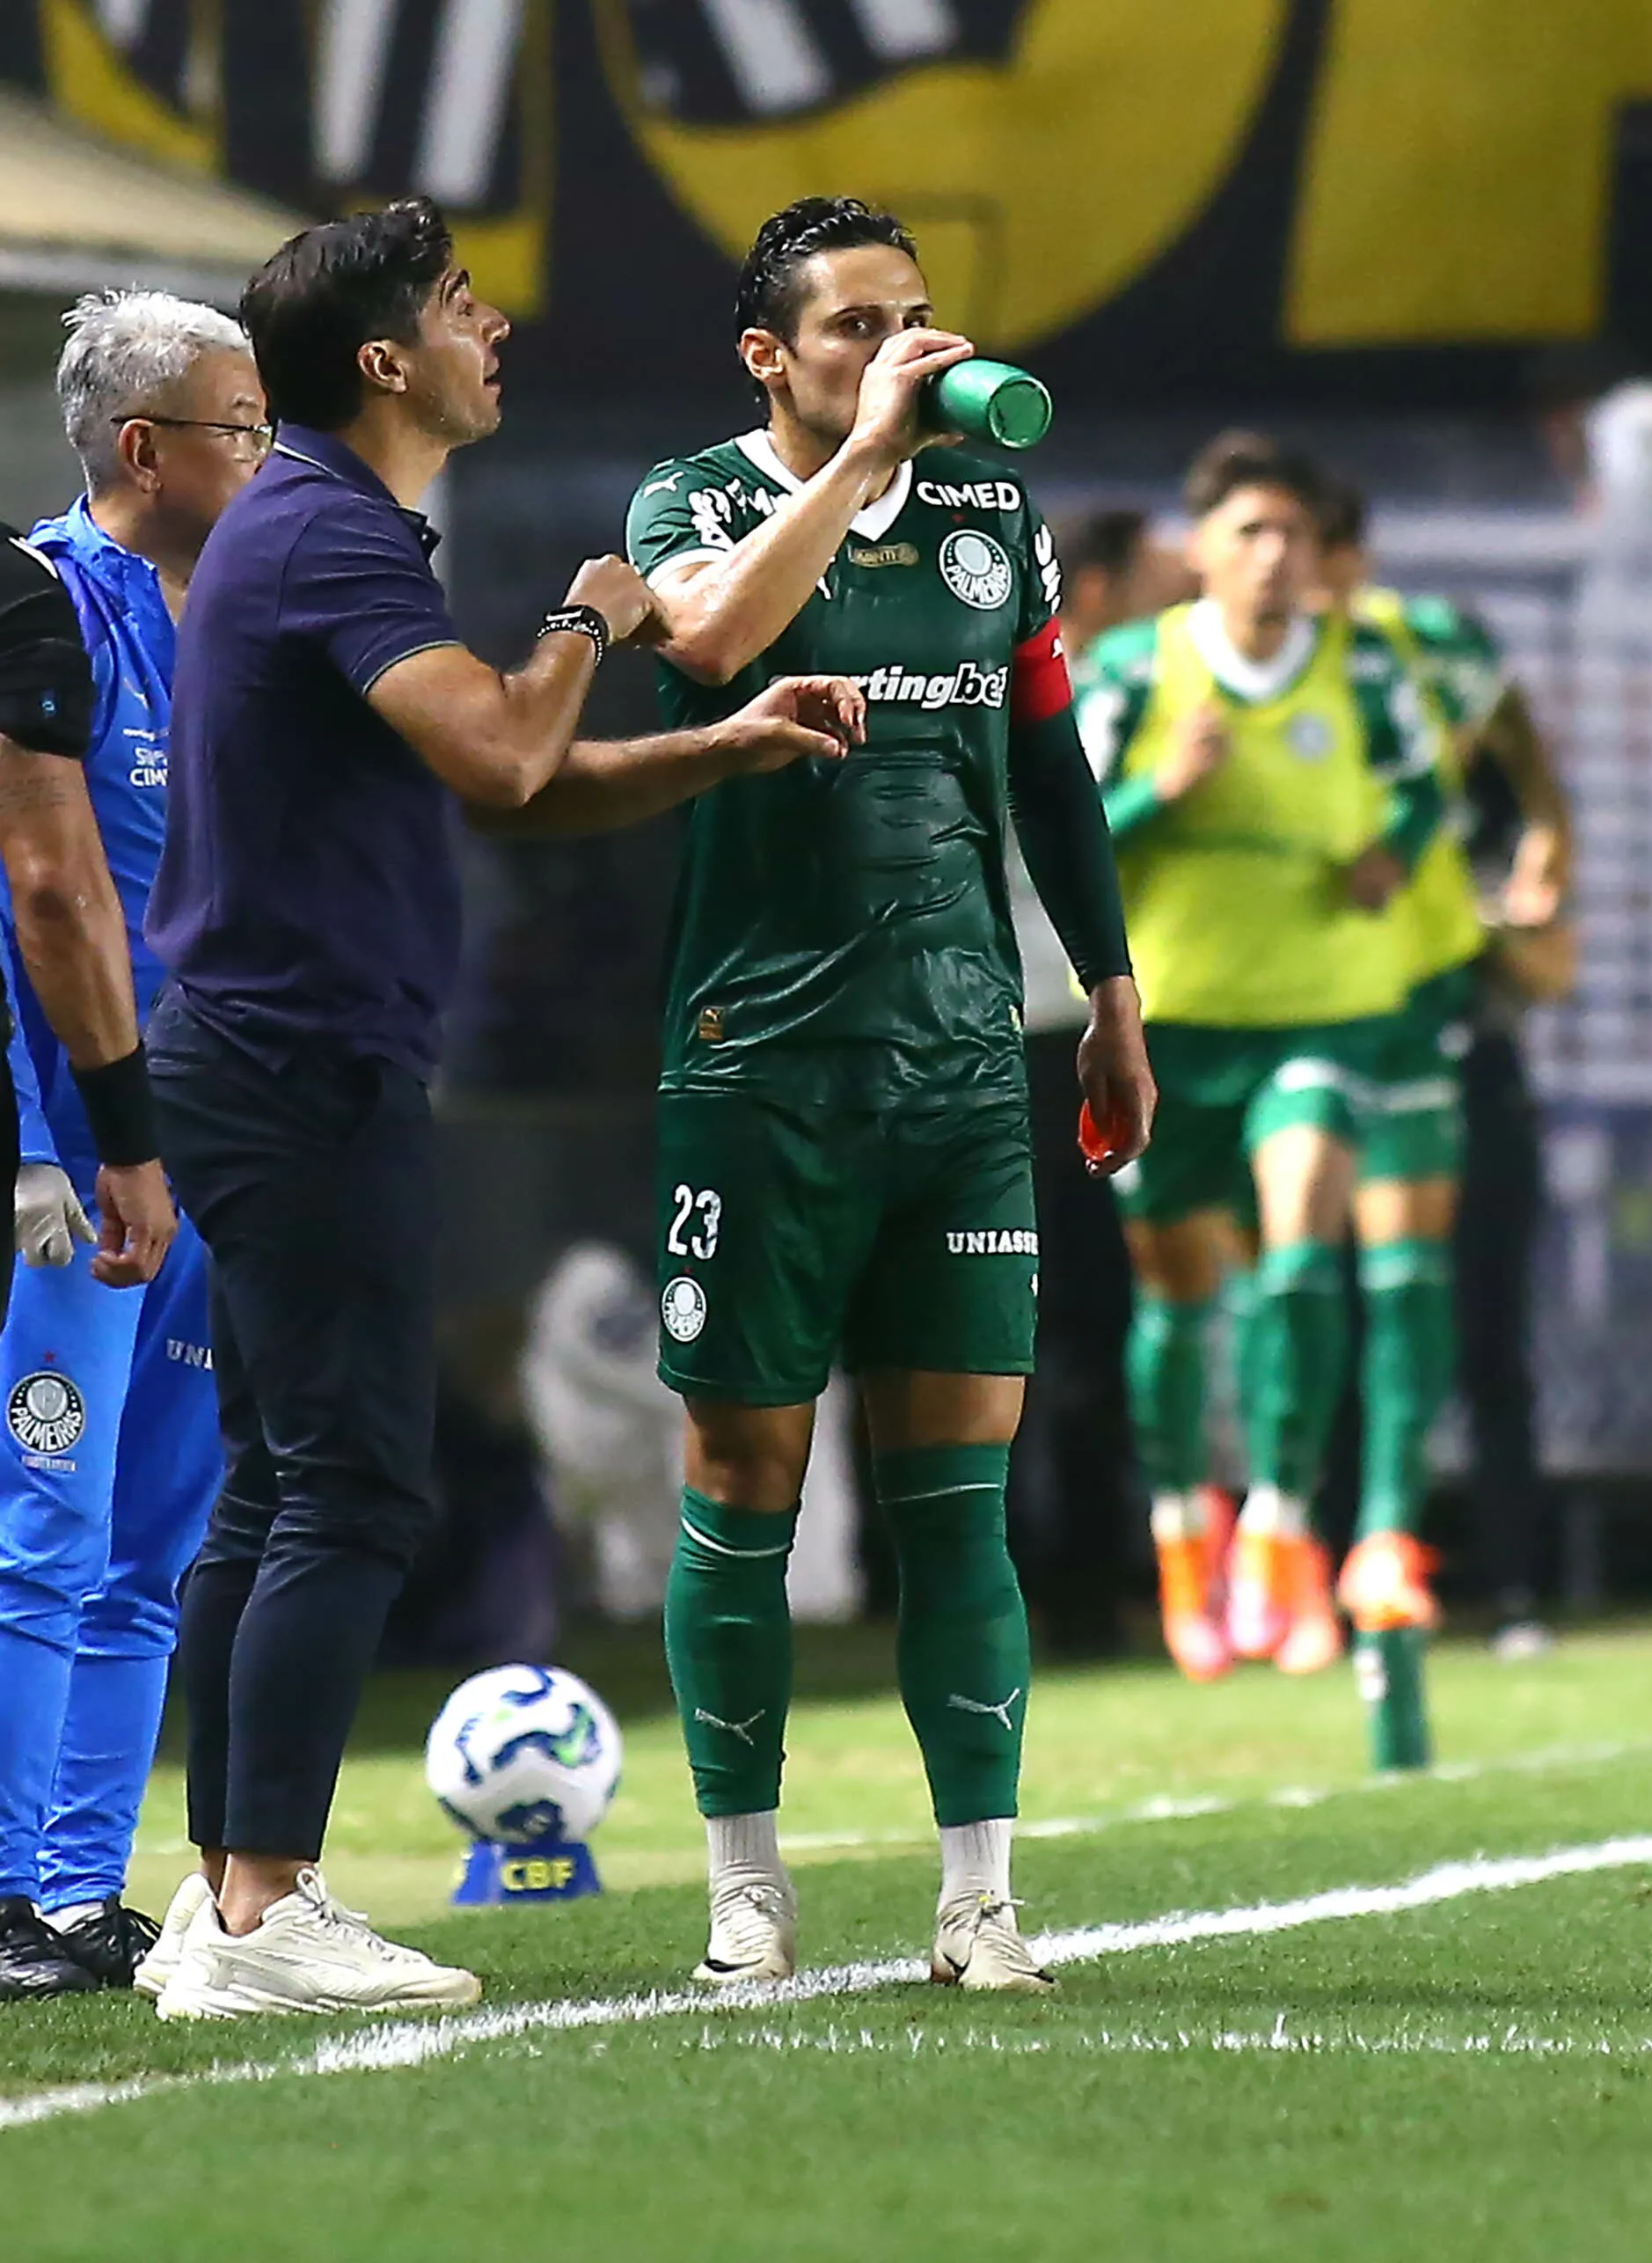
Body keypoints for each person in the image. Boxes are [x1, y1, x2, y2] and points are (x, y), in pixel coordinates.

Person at [145, 199, 860, 2022]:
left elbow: (505, 787)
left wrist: (721, 741)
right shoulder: (325, 528)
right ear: (387, 360)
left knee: (273, 1484)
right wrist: (591, 617)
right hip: (302, 1057)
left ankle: (218, 1897)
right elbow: (512, 743)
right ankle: (262, 1908)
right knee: (357, 1481)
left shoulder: (323, 525)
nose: (497, 324)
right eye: (463, 303)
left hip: (264, 1049)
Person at [627, 197, 1152, 1994]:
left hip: (958, 1059)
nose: (901, 351)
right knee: (743, 1472)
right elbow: (702, 645)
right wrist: (856, 459)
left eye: (914, 318)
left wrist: (1108, 990)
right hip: (756, 1062)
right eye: (854, 325)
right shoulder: (690, 500)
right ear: (768, 355)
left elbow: (1051, 757)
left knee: (957, 1490)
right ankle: (745, 1879)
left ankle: (979, 1898)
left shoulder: (997, 513)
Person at [1084, 433, 1441, 1687]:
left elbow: (1420, 788)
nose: (1275, 557)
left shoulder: (1365, 667)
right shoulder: (1134, 671)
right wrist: (1157, 792)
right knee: (1176, 1302)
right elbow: (1057, 825)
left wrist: (1391, 849)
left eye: (1293, 534)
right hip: (1168, 1023)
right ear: (1202, 551)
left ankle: (1284, 1533)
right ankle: (1185, 1532)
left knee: (1297, 1263)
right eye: (1249, 534)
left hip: (1321, 1012)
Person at [0, 294, 257, 2003]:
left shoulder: (245, 613)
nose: (265, 449)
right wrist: (50, 1143)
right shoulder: (37, 599)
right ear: (142, 447)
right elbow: (36, 895)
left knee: (157, 1531)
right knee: (45, 1509)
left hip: (221, 1143)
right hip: (72, 1157)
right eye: (236, 423)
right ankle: (9, 1884)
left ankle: (80, 1894)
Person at [1311, 477, 1576, 1759]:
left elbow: (1530, 782)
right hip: (1324, 1040)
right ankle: (1331, 1584)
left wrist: (1521, 889)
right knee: (1334, 1324)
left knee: (1483, 1336)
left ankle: (1515, 1589)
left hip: (1459, 1046)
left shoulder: (1434, 652)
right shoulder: (1237, 686)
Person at [1003, 508, 1195, 1662]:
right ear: (1105, 590)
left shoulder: (1122, 698)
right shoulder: (1045, 696)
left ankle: (1087, 1581)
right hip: (1035, 1038)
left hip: (1087, 1033)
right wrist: (1164, 788)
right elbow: (1044, 831)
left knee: (1091, 1323)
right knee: (1052, 1324)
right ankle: (1048, 1582)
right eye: (1164, 587)